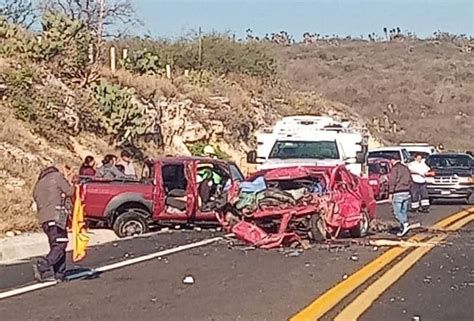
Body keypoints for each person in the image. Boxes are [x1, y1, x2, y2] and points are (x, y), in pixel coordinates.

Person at [32, 165, 75, 282]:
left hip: (44, 219)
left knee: (57, 244)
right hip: (57, 215)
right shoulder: (57, 177)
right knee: (60, 244)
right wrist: (69, 181)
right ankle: (43, 265)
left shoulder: (39, 184)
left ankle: (60, 274)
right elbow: (70, 191)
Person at [388, 158, 415, 236]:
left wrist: (390, 193)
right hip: (406, 191)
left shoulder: (395, 168)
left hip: (398, 192)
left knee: (397, 212)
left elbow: (392, 181)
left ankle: (405, 224)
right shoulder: (405, 168)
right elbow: (411, 180)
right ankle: (403, 227)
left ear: (392, 160)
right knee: (403, 210)